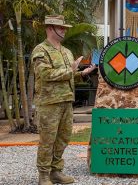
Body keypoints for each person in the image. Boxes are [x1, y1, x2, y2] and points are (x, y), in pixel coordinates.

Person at [31, 15, 96, 185]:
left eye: (65, 28)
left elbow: (69, 76)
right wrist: (70, 69)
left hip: (66, 101)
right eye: (61, 28)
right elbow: (44, 74)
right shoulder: (41, 51)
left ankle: (56, 171)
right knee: (48, 140)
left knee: (63, 137)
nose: (64, 30)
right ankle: (44, 175)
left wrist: (82, 73)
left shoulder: (66, 51)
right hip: (49, 103)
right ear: (50, 28)